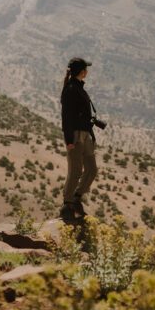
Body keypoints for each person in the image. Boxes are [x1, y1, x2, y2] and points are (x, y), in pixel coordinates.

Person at [59, 57, 98, 220]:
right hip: (75, 135)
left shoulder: (78, 87)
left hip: (85, 134)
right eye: (85, 69)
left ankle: (77, 197)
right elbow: (66, 117)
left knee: (91, 169)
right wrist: (69, 140)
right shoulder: (70, 89)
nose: (87, 71)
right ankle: (67, 203)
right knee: (75, 171)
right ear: (82, 71)